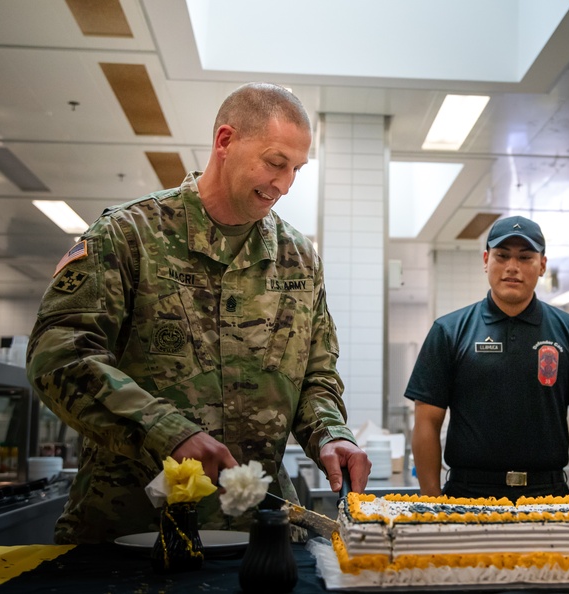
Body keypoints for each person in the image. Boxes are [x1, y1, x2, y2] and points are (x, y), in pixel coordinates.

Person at [26, 83, 370, 544]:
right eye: (274, 163)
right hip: (130, 528)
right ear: (225, 141)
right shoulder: (129, 236)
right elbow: (58, 356)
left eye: (296, 170)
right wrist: (165, 431)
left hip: (257, 530)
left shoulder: (299, 259)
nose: (284, 185)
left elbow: (317, 375)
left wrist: (331, 434)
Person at [406, 216, 569, 500]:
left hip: (548, 495)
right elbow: (426, 420)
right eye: (502, 256)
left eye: (525, 257)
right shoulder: (449, 331)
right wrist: (432, 501)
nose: (512, 267)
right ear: (485, 260)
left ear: (542, 265)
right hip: (467, 496)